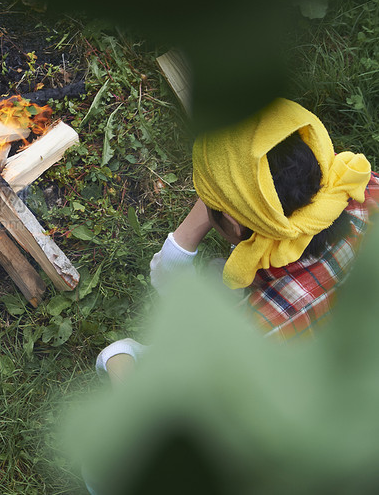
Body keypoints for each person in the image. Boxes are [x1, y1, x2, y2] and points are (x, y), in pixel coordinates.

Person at [97, 98, 379, 382]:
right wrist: (179, 249)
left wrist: (121, 359)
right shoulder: (362, 185)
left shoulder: (260, 333)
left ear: (232, 221)